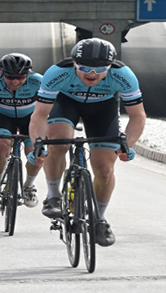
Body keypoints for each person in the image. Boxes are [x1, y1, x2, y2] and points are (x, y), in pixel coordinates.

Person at [29, 38, 145, 247]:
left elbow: (138, 116)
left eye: (101, 69)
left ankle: (99, 219)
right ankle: (54, 196)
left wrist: (128, 144)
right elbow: (39, 114)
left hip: (103, 109)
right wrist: (38, 142)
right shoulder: (57, 72)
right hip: (66, 105)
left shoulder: (124, 75)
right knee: (57, 143)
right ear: (74, 64)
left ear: (110, 66)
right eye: (84, 68)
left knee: (105, 168)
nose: (92, 74)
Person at [0, 54, 42, 208]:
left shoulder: (38, 81)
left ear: (28, 74)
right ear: (2, 73)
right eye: (10, 77)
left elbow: (50, 108)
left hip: (31, 119)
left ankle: (29, 186)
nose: (15, 81)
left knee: (37, 154)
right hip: (3, 117)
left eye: (21, 76)